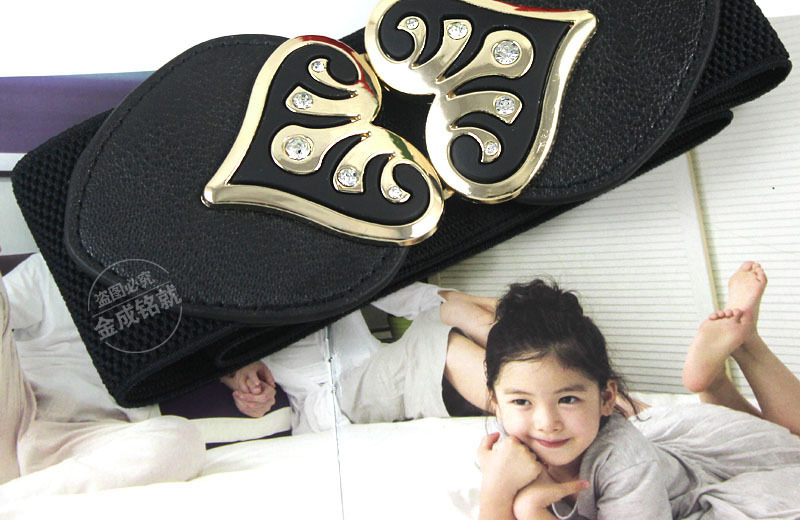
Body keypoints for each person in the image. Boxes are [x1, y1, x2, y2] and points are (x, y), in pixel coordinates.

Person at [477, 262, 800, 520]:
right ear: (496, 404)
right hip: (670, 457)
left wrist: (529, 510)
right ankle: (717, 376)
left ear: (607, 398)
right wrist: (496, 487)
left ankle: (743, 347)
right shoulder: (510, 447)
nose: (547, 423)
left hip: (701, 482)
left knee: (795, 445)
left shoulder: (626, 464)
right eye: (521, 401)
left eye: (568, 399)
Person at [0, 259, 205, 504]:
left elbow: (199, 346)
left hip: (94, 435)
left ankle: (14, 497)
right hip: (22, 412)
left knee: (183, 439)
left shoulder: (173, 279)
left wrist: (232, 373)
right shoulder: (46, 266)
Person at [221, 284, 495, 432]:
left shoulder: (315, 256)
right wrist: (242, 380)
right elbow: (215, 360)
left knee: (454, 311)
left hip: (374, 368)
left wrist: (458, 299)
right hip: (331, 401)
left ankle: (517, 388)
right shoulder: (229, 292)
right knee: (431, 344)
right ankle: (517, 402)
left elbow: (389, 290)